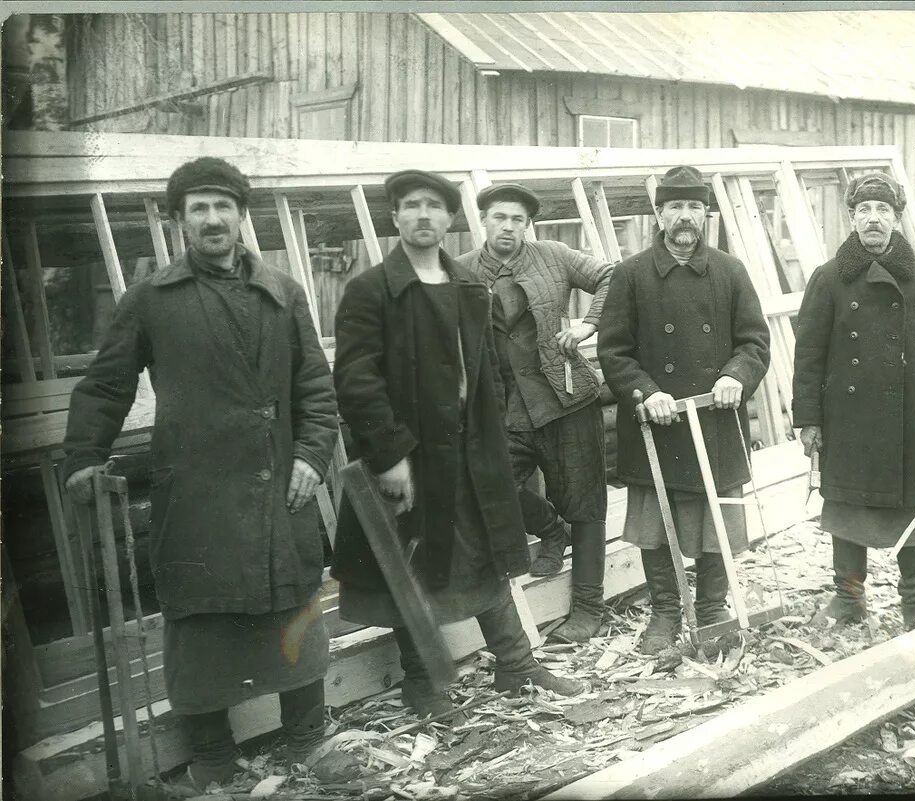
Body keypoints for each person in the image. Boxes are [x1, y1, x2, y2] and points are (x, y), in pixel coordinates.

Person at [62, 157, 348, 787]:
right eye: (199, 208)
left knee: (292, 610)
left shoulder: (282, 292)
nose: (213, 219)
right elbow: (107, 385)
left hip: (280, 483)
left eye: (223, 206)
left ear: (242, 215)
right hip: (197, 492)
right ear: (180, 221)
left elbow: (316, 391)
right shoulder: (151, 299)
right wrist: (84, 455)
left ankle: (307, 740)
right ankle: (213, 760)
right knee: (201, 624)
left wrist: (310, 456)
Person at [330, 170, 584, 721]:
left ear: (450, 219)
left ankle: (517, 666)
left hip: (472, 456)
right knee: (410, 567)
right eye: (411, 206)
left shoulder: (470, 290)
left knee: (488, 558)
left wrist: (493, 438)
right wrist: (389, 456)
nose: (423, 216)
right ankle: (425, 684)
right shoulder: (370, 290)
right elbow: (355, 380)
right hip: (409, 462)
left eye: (434, 207)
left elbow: (490, 373)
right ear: (395, 218)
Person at [597, 165, 771, 654]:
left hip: (715, 419)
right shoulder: (631, 275)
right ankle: (666, 613)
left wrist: (736, 375)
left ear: (706, 214)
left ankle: (713, 608)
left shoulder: (730, 271)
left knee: (715, 520)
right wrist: (645, 391)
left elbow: (755, 340)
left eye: (694, 206)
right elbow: (614, 351)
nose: (685, 216)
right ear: (659, 214)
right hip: (658, 423)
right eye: (675, 206)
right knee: (656, 523)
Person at [792, 171, 915, 631]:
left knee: (911, 503)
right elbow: (808, 354)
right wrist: (808, 418)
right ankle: (849, 597)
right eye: (864, 210)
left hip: (912, 417)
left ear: (897, 219)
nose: (873, 219)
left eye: (883, 210)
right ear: (851, 218)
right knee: (846, 505)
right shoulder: (828, 278)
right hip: (846, 418)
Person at [456, 183, 613, 642]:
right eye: (500, 217)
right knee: (484, 487)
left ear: (528, 225)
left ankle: (588, 610)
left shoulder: (554, 255)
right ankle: (549, 530)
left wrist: (589, 324)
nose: (509, 227)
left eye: (519, 220)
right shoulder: (460, 271)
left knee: (585, 504)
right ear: (483, 220)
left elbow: (611, 276)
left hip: (566, 399)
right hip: (501, 410)